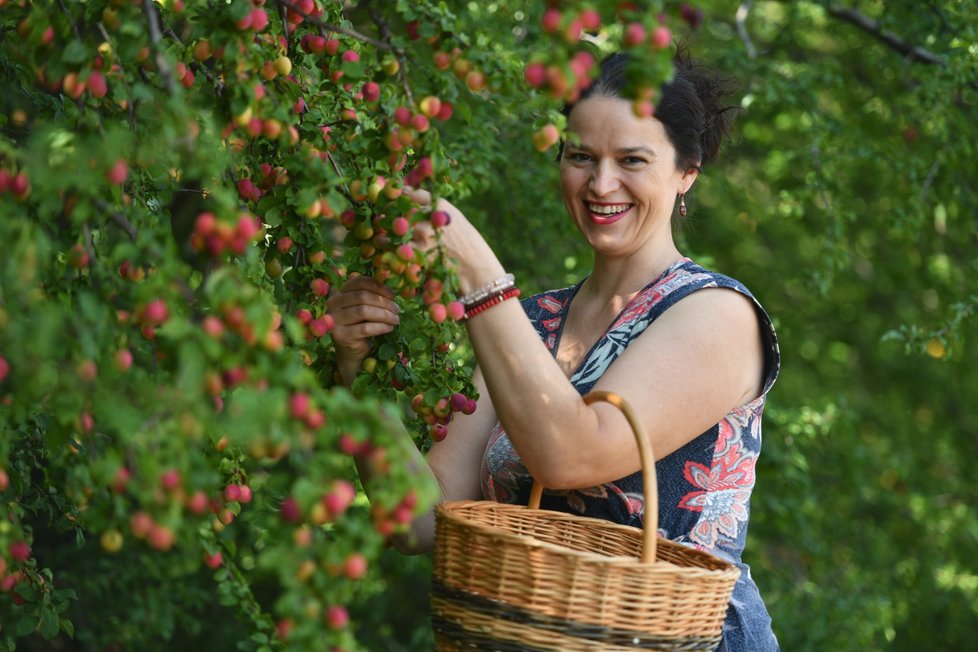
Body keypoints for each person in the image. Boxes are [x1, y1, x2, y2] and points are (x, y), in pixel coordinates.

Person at [327, 49, 782, 652]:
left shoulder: (716, 314)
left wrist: (476, 269)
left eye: (632, 160)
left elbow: (570, 455)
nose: (601, 184)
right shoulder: (534, 322)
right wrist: (354, 377)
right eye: (581, 157)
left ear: (686, 172)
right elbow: (420, 520)